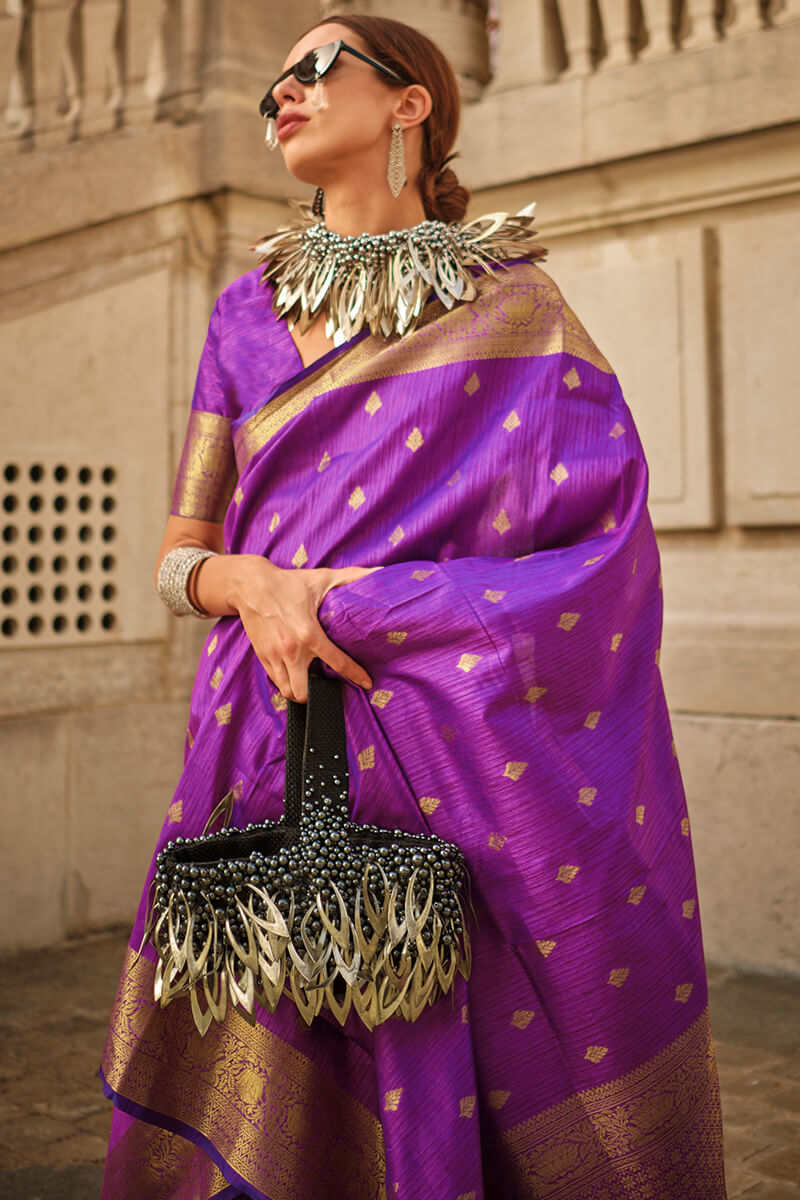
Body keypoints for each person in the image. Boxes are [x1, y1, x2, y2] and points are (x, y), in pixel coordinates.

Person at [99, 14, 727, 1200]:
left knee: (460, 1064)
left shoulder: (515, 309)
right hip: (261, 733)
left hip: (451, 754)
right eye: (274, 75)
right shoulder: (242, 317)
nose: (280, 90)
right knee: (262, 1038)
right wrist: (256, 585)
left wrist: (379, 603)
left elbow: (602, 555)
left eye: (314, 66)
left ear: (409, 104)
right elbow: (184, 551)